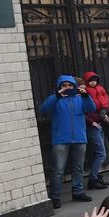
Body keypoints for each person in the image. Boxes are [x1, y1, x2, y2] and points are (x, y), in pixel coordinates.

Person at [40, 75, 96, 208]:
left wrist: (85, 95)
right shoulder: (55, 99)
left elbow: (91, 108)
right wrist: (57, 96)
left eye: (70, 85)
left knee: (78, 168)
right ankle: (55, 196)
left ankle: (78, 191)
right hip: (61, 139)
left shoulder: (80, 98)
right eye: (64, 85)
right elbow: (43, 109)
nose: (67, 88)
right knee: (58, 170)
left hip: (79, 137)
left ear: (74, 86)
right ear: (59, 87)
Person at [82, 71, 109, 190]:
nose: (93, 82)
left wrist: (104, 114)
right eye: (90, 80)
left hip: (100, 123)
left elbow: (104, 101)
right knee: (101, 153)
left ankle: (96, 176)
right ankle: (93, 179)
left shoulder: (99, 89)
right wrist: (91, 122)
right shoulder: (85, 94)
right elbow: (83, 112)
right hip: (93, 126)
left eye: (95, 80)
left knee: (101, 152)